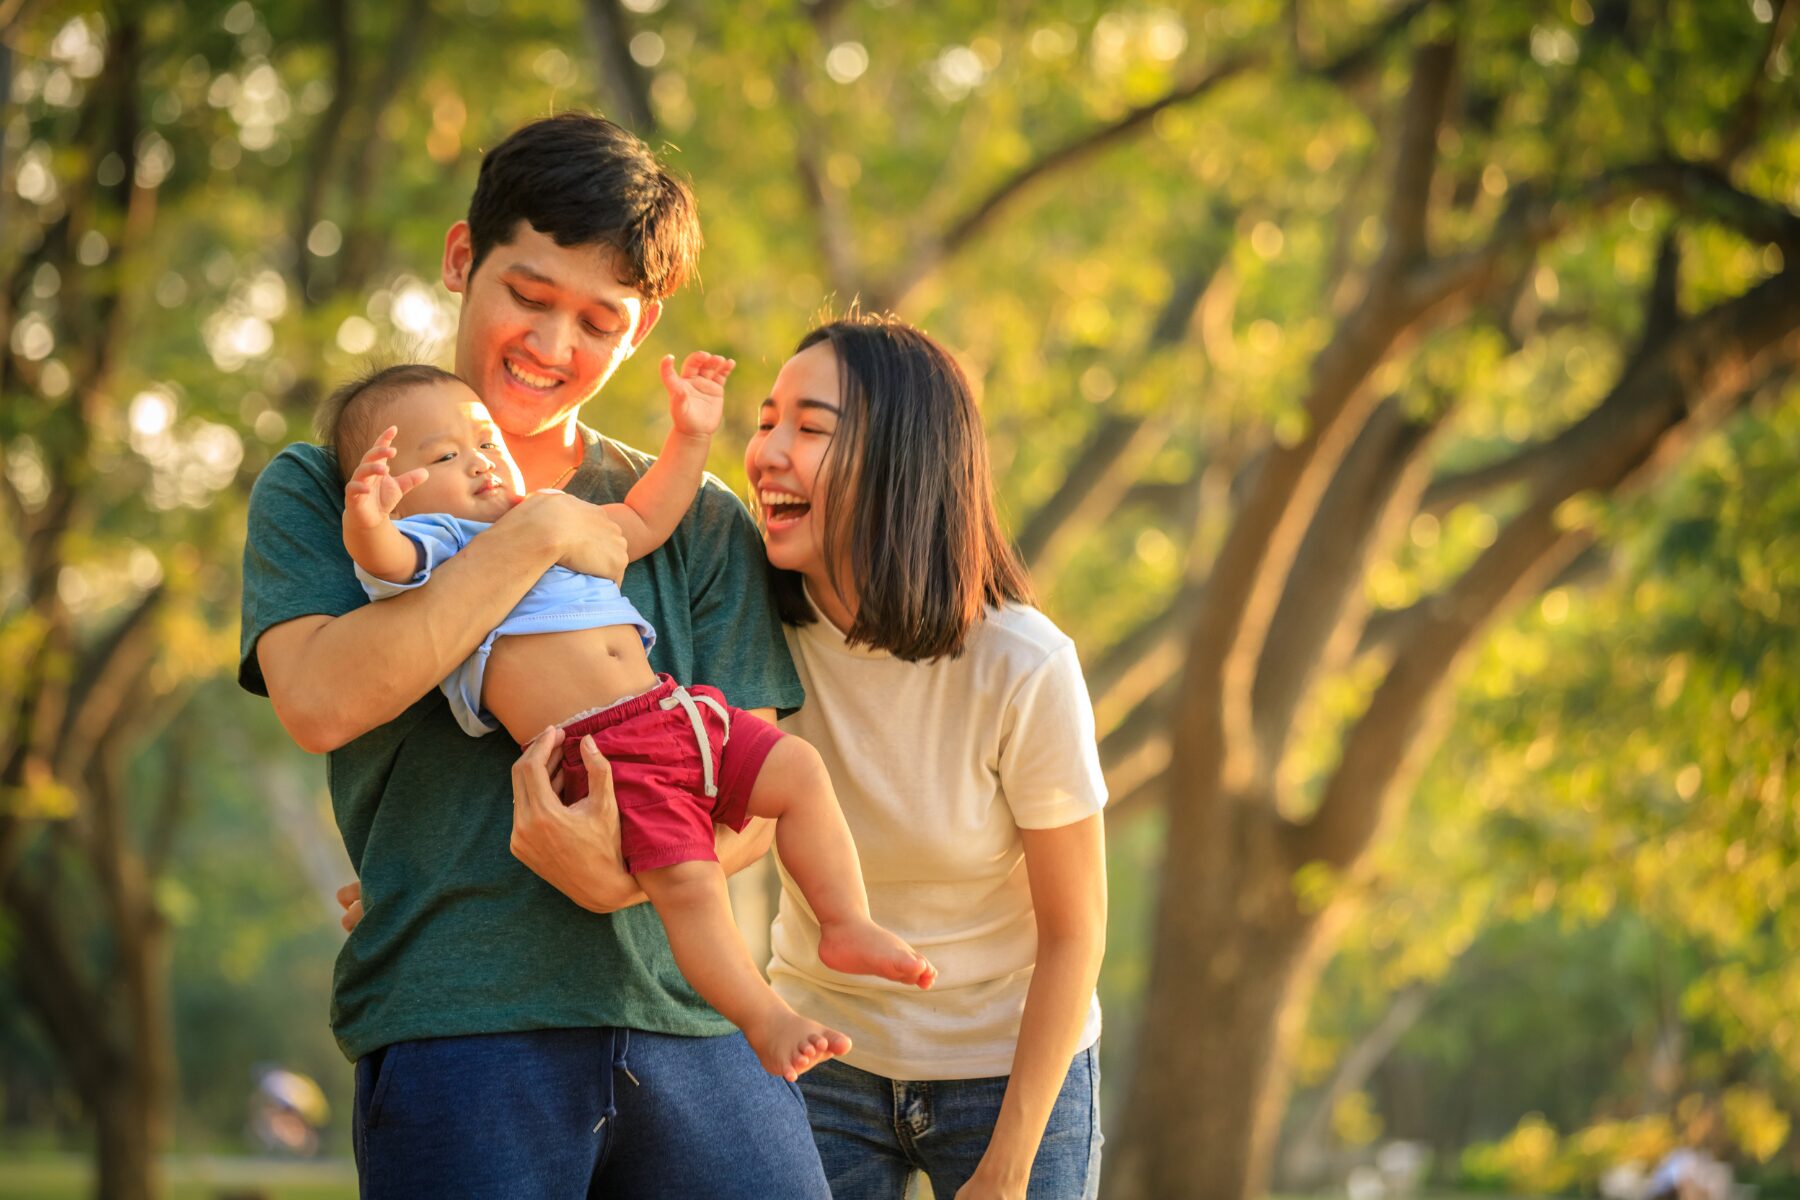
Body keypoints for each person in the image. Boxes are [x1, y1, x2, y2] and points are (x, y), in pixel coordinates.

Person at [239, 113, 834, 1197]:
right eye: (528, 294)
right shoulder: (335, 483)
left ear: (641, 327)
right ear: (464, 259)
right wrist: (531, 534)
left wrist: (621, 879)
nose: (554, 347)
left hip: (693, 1018)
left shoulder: (695, 520)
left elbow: (756, 771)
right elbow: (321, 701)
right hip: (461, 1024)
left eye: (598, 321)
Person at [502, 313, 1110, 1199]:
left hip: (1010, 1069)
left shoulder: (1022, 664)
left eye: (811, 428)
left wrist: (1009, 1167)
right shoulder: (747, 627)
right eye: (766, 421)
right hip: (821, 1054)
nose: (767, 453)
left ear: (904, 460)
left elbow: (1075, 930)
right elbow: (586, 703)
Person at [328, 360, 933, 1080]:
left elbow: (647, 517)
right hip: (607, 757)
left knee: (799, 769)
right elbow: (386, 559)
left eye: (486, 443)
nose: (482, 463)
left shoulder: (548, 514)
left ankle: (844, 922)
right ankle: (763, 1017)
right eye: (445, 456)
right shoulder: (442, 547)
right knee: (691, 885)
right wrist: (367, 516)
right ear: (404, 491)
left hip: (676, 712)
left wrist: (690, 434)